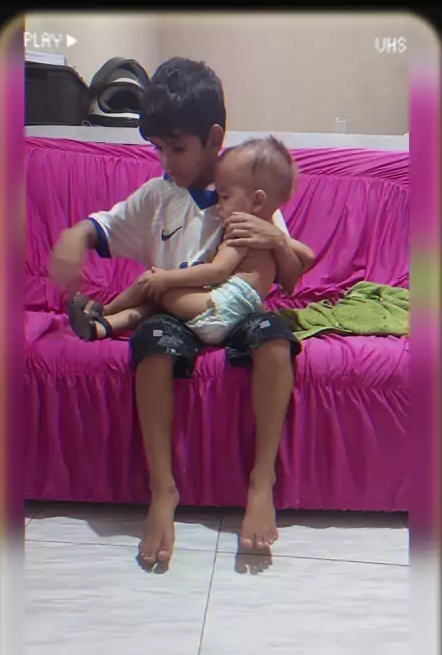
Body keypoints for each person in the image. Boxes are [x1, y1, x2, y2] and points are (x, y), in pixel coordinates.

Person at [50, 57, 315, 566]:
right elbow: (105, 225)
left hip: (236, 309)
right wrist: (74, 236)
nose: (165, 160)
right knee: (151, 342)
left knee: (276, 339)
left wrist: (276, 239)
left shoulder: (249, 188)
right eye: (157, 148)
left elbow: (289, 278)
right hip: (176, 315)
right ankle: (162, 491)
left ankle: (261, 483)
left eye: (176, 148)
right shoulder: (159, 195)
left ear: (214, 138)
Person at [67, 136, 298, 345]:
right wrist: (279, 240)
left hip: (220, 311)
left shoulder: (242, 231)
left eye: (225, 197)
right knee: (155, 305)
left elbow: (217, 271)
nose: (218, 206)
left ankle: (103, 310)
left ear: (257, 201)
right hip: (238, 314)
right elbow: (307, 255)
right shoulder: (268, 233)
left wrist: (166, 279)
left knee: (150, 283)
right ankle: (102, 327)